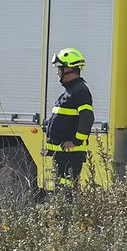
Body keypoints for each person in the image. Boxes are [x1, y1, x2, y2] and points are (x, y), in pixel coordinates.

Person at [44, 47, 95, 188]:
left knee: (67, 189)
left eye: (60, 68)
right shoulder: (71, 91)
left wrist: (76, 141)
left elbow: (87, 118)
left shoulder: (80, 91)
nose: (58, 73)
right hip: (63, 154)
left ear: (68, 69)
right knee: (61, 188)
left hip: (71, 154)